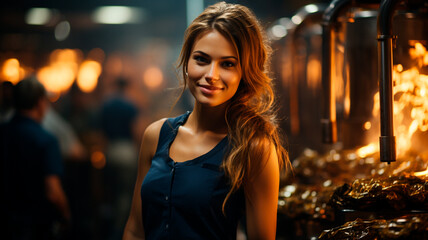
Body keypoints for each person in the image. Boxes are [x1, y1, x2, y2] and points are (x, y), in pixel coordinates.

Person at [123, 2, 290, 240]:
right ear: (187, 62)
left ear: (245, 71)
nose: (211, 75)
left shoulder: (253, 148)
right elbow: (134, 230)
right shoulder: (156, 135)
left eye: (228, 64)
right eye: (201, 59)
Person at [0, 77, 71, 240]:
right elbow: (53, 192)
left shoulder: (3, 131)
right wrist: (66, 216)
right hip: (34, 225)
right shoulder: (45, 140)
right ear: (40, 102)